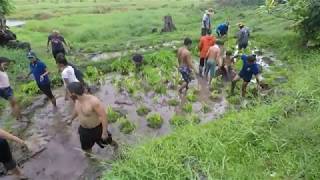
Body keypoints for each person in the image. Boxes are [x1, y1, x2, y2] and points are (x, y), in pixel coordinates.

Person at [67, 82, 118, 154]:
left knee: (109, 142)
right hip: (84, 130)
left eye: (68, 92)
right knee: (86, 149)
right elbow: (76, 110)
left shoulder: (93, 101)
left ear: (73, 93)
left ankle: (116, 148)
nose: (68, 94)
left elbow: (104, 117)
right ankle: (92, 161)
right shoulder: (77, 100)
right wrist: (71, 119)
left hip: (97, 129)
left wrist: (104, 132)